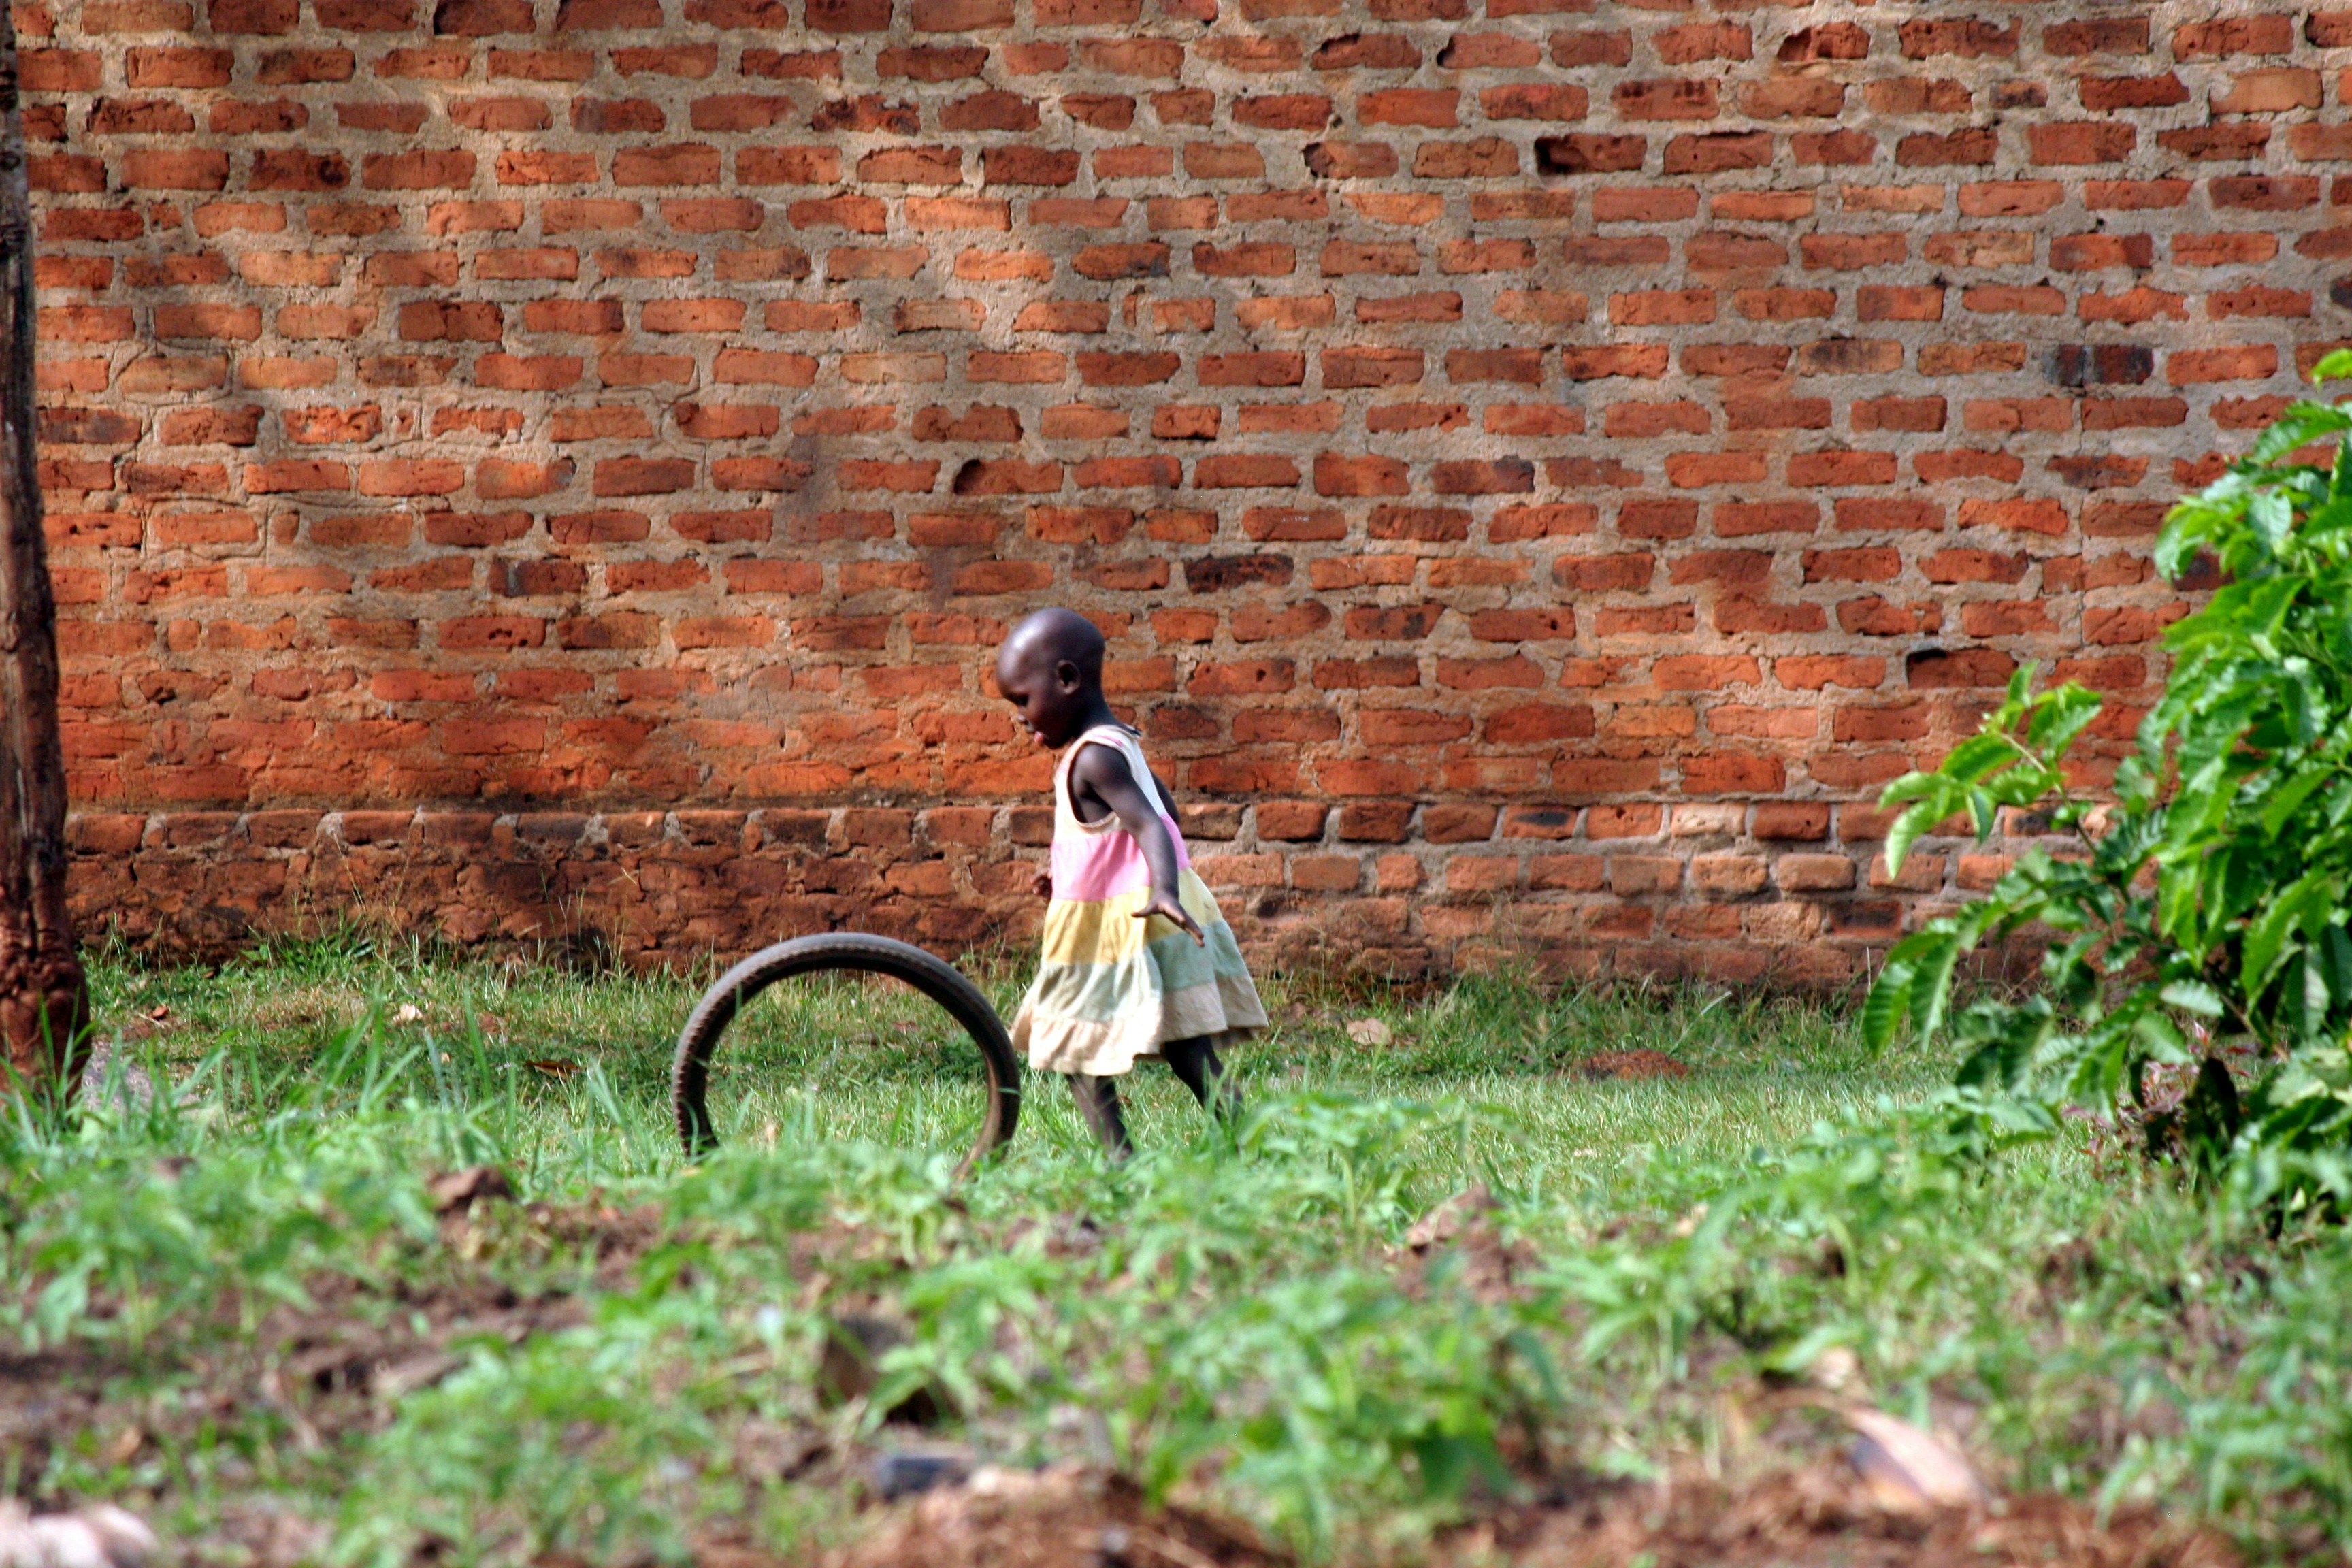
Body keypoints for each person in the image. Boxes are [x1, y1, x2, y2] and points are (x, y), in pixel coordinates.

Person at [995, 608, 1266, 1157]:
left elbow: (1149, 824)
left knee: (1073, 1047)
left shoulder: (1092, 757)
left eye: (1023, 700)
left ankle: (1121, 1163)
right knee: (1191, 1051)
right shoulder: (1120, 743)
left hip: (1121, 929)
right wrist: (1078, 870)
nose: (1021, 717)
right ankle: (1247, 1143)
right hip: (1144, 915)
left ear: (1068, 680)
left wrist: (1162, 889)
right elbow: (1162, 815)